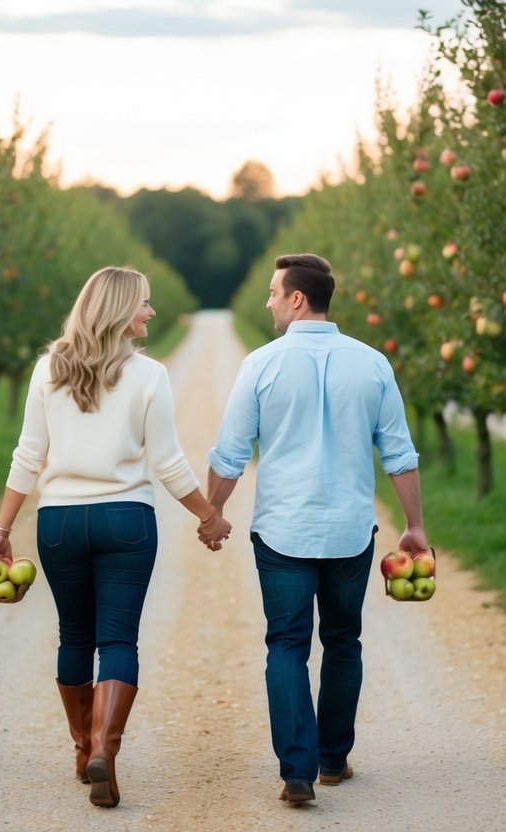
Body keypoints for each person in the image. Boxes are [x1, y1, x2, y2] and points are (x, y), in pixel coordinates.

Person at [0, 266, 230, 809]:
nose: (151, 312)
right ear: (121, 311)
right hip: (126, 519)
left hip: (60, 522)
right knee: (117, 640)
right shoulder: (148, 375)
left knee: (75, 637)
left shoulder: (49, 369)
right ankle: (103, 749)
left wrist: (2, 531)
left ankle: (81, 749)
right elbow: (166, 462)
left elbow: (28, 455)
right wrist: (207, 515)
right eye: (145, 303)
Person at [202, 253, 430, 805]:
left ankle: (297, 772)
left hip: (282, 529)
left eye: (274, 293)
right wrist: (415, 526)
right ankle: (332, 760)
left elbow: (230, 454)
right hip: (350, 529)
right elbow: (398, 454)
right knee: (343, 641)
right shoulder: (373, 363)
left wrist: (212, 515)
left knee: (285, 643)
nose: (268, 302)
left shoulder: (261, 365)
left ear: (297, 299)